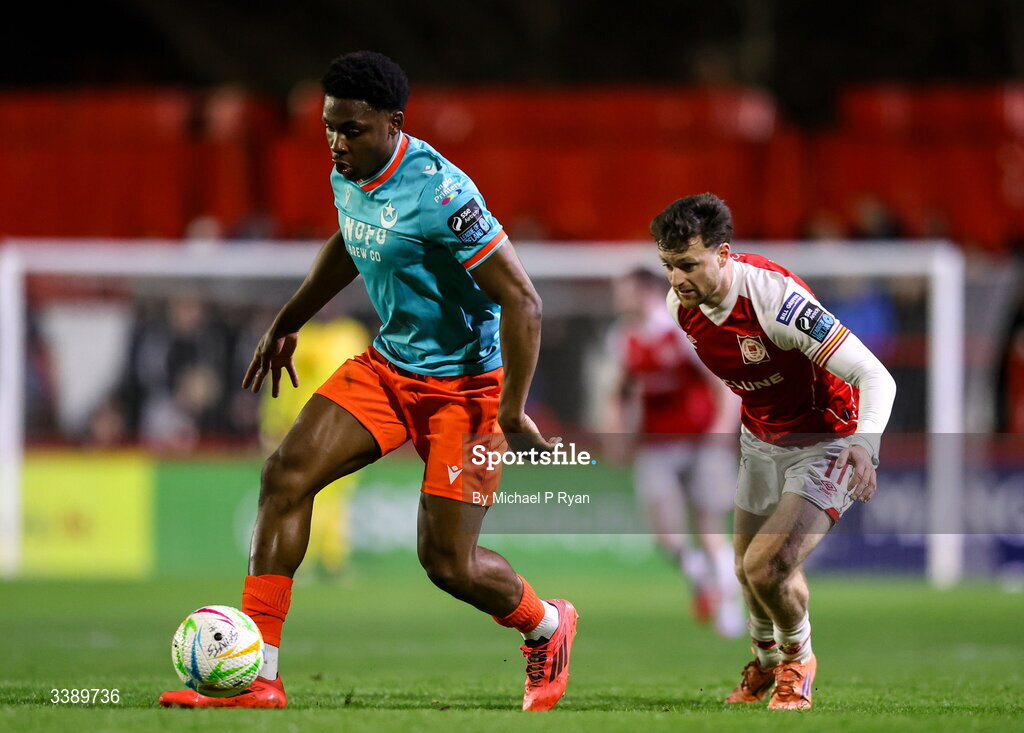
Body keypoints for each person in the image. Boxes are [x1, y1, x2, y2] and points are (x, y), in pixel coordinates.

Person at [159, 51, 577, 712]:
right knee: (285, 475)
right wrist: (288, 319)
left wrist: (512, 409)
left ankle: (547, 625)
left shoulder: (444, 194)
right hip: (388, 369)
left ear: (392, 123)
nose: (336, 141)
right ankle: (259, 678)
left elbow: (524, 300)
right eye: (329, 127)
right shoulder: (347, 170)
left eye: (351, 128)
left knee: (448, 564)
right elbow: (352, 241)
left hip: (467, 389)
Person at [651, 193, 896, 710]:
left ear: (723, 253)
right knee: (746, 569)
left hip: (826, 438)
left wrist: (866, 445)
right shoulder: (682, 306)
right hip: (760, 439)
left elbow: (875, 375)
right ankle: (764, 663)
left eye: (688, 264)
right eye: (668, 266)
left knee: (768, 566)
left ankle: (798, 661)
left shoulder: (776, 301)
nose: (676, 279)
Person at [606, 268, 744, 638]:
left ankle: (729, 609)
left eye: (624, 291)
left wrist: (721, 431)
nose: (618, 298)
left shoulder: (679, 330)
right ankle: (702, 578)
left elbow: (722, 383)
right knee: (666, 537)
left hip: (700, 441)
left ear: (645, 292)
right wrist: (618, 435)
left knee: (709, 528)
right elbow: (619, 391)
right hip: (655, 444)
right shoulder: (622, 338)